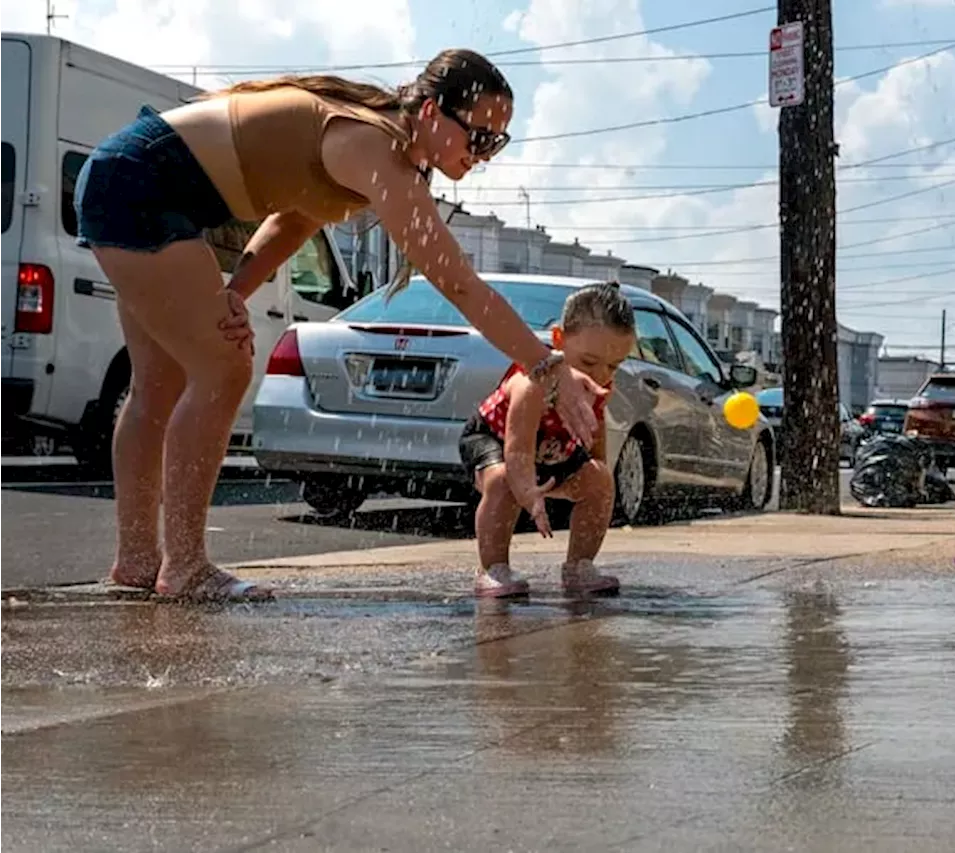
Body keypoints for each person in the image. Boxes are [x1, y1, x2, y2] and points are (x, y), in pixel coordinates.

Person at [72, 49, 607, 603]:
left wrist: (233, 293)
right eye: (480, 138)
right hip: (141, 183)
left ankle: (137, 563)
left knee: (158, 384)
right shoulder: (374, 145)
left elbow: (294, 218)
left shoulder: (374, 147)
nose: (485, 155)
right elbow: (459, 284)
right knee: (222, 368)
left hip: (132, 175)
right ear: (430, 113)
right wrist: (546, 366)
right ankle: (183, 566)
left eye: (497, 143)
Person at [458, 283, 637, 598]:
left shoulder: (597, 386)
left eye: (613, 366)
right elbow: (517, 450)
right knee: (502, 482)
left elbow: (595, 433)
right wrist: (529, 497)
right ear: (558, 339)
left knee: (600, 480)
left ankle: (579, 566)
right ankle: (493, 567)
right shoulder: (532, 384)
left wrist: (600, 480)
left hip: (551, 453)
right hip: (497, 441)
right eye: (588, 362)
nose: (600, 375)